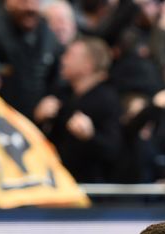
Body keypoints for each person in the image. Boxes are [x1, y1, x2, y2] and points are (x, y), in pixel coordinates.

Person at [33, 36, 122, 183]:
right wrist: (38, 118)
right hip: (55, 179)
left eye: (70, 55)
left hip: (89, 186)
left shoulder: (107, 100)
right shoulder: (61, 94)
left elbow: (114, 151)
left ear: (87, 65)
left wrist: (90, 137)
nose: (63, 60)